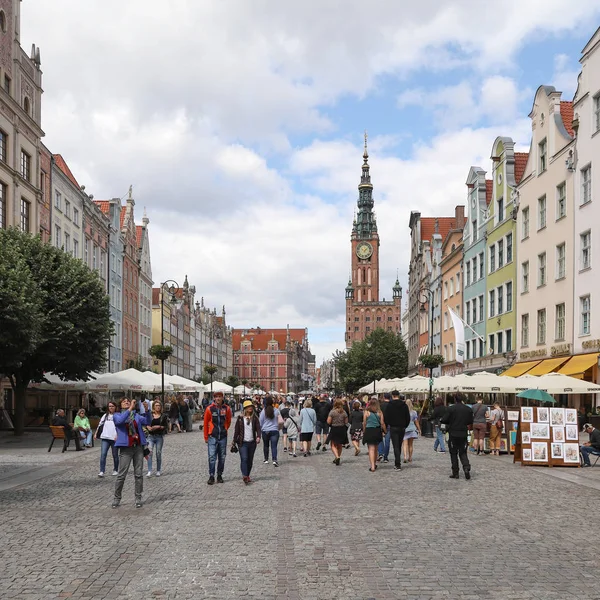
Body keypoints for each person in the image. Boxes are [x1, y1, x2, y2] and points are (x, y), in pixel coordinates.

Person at [112, 398, 152, 508]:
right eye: (124, 401)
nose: (126, 402)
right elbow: (120, 422)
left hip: (138, 447)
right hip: (126, 448)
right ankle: (117, 498)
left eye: (128, 401)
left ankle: (138, 497)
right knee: (121, 474)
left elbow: (148, 421)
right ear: (120, 405)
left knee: (138, 474)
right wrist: (129, 409)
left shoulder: (136, 416)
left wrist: (148, 411)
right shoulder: (117, 415)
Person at [440, 394, 473, 480]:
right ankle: (466, 467)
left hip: (453, 433)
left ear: (455, 399)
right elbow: (470, 421)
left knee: (453, 453)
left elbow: (444, 420)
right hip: (463, 433)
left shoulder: (451, 409)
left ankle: (455, 473)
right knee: (463, 452)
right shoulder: (468, 409)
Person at [203, 391, 232, 485]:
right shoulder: (209, 409)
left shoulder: (227, 409)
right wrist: (206, 436)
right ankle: (211, 475)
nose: (218, 398)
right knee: (212, 457)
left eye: (220, 396)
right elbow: (205, 423)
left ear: (222, 398)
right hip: (212, 436)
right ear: (214, 398)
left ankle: (219, 475)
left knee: (222, 457)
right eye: (216, 397)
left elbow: (228, 420)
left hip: (223, 436)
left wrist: (225, 428)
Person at [233, 400, 261, 484]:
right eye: (248, 407)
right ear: (245, 408)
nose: (250, 408)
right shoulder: (240, 418)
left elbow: (258, 429)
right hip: (242, 442)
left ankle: (247, 475)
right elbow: (236, 431)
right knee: (244, 458)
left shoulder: (255, 418)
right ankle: (244, 475)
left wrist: (258, 437)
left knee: (250, 460)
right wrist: (234, 441)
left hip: (252, 442)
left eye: (251, 406)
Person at [385, 391, 411, 470]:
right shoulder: (404, 405)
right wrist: (405, 425)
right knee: (399, 445)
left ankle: (397, 464)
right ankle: (397, 461)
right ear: (399, 396)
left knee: (395, 445)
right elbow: (408, 417)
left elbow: (386, 417)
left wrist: (388, 424)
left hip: (393, 427)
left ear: (392, 396)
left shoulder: (390, 405)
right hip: (402, 427)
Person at [363, 398, 386, 472]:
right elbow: (382, 423)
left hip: (369, 430)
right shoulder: (379, 412)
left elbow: (364, 423)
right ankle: (375, 463)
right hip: (377, 431)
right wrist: (385, 431)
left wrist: (364, 431)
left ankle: (372, 466)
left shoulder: (366, 412)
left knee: (371, 449)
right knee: (376, 448)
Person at [96, 401, 119, 476]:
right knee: (103, 454)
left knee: (115, 455)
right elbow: (100, 425)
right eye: (110, 406)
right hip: (105, 437)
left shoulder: (118, 415)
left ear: (115, 407)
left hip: (114, 438)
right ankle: (102, 470)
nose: (111, 407)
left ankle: (116, 469)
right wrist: (96, 433)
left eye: (112, 406)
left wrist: (118, 435)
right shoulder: (105, 415)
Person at [146, 401, 168, 477]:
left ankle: (158, 470)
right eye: (156, 405)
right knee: (149, 453)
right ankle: (149, 470)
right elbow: (146, 423)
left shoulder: (163, 416)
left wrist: (158, 427)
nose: (158, 407)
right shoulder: (150, 415)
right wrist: (148, 427)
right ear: (153, 407)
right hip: (150, 436)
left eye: (159, 405)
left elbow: (165, 426)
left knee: (158, 453)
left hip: (159, 436)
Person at [259, 395, 281, 467]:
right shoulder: (276, 410)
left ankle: (266, 459)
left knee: (266, 445)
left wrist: (261, 429)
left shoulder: (263, 411)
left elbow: (260, 422)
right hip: (274, 430)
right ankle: (274, 460)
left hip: (265, 431)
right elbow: (280, 420)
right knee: (274, 446)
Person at [327, 398, 349, 465]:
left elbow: (328, 421)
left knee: (333, 445)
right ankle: (337, 457)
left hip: (334, 429)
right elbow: (346, 422)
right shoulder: (344, 412)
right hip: (342, 429)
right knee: (339, 445)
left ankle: (337, 457)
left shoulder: (332, 412)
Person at [378, 393, 392, 463]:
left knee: (380, 440)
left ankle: (381, 453)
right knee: (387, 441)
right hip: (389, 424)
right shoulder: (391, 405)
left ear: (384, 397)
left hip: (381, 424)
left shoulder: (380, 405)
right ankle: (385, 457)